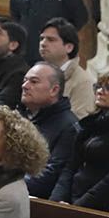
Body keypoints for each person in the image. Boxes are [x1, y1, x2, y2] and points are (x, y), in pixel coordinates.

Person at [50, 69, 109, 212]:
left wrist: (77, 208)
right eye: (99, 86)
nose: (100, 91)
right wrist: (57, 201)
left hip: (99, 208)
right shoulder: (92, 123)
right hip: (71, 201)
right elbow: (71, 166)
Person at [18, 62, 79, 198]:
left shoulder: (69, 126)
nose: (25, 86)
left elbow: (48, 176)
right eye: (25, 81)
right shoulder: (18, 116)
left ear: (54, 90)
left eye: (34, 82)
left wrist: (3, 184)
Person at [39, 17, 96, 117]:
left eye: (51, 40)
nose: (43, 43)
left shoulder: (82, 81)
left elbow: (79, 122)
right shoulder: (36, 73)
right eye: (42, 38)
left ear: (69, 47)